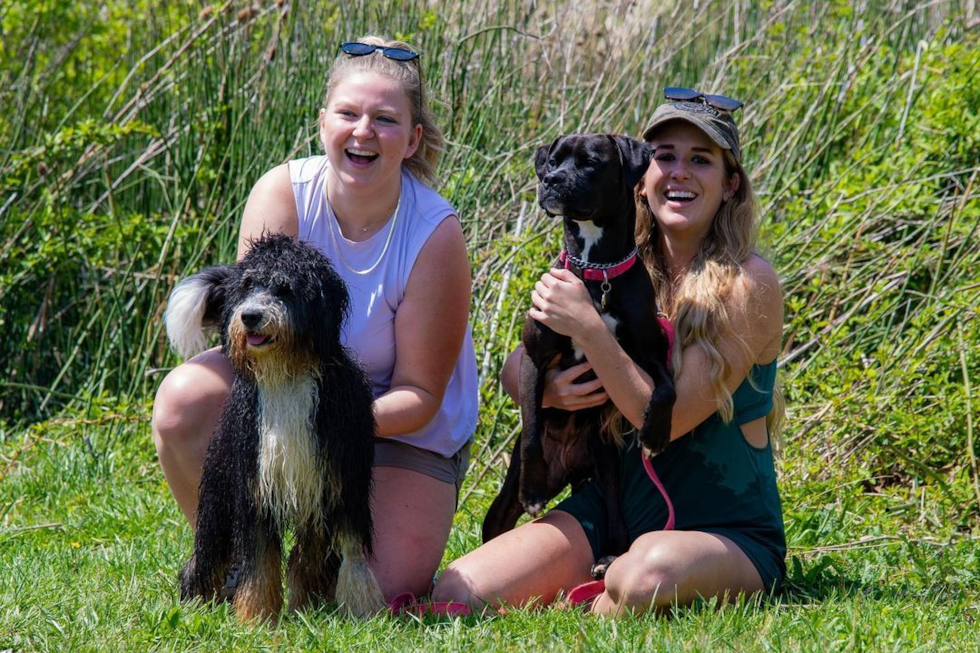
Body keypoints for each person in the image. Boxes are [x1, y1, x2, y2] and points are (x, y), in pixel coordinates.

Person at [432, 90, 785, 615]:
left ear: (731, 185)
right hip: (615, 505)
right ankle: (599, 579)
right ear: (641, 176)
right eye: (666, 156)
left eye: (701, 160)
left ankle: (605, 592)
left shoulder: (748, 285)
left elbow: (668, 419)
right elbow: (518, 363)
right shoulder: (613, 267)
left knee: (646, 574)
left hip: (722, 525)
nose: (679, 172)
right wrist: (551, 388)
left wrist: (590, 329)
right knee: (460, 591)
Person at [152, 36, 478, 602]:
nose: (363, 132)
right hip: (286, 393)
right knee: (181, 401)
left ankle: (311, 557)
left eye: (385, 119)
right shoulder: (282, 193)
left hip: (399, 430)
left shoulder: (435, 234)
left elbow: (420, 394)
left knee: (374, 590)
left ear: (413, 139)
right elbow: (249, 340)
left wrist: (325, 426)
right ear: (323, 120)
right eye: (348, 113)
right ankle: (240, 560)